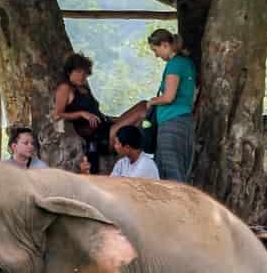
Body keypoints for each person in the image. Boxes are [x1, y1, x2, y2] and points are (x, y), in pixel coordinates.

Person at [114, 28, 197, 182]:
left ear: (165, 45)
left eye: (156, 50)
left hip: (171, 121)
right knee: (178, 167)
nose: (156, 55)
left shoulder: (175, 64)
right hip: (183, 120)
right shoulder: (187, 63)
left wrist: (152, 102)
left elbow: (169, 97)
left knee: (168, 170)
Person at [52, 54, 111, 173]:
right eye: (78, 71)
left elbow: (95, 112)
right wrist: (81, 113)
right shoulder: (65, 88)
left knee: (141, 107)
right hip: (93, 133)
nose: (82, 76)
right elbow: (57, 115)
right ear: (69, 72)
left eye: (85, 73)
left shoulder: (84, 88)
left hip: (103, 125)